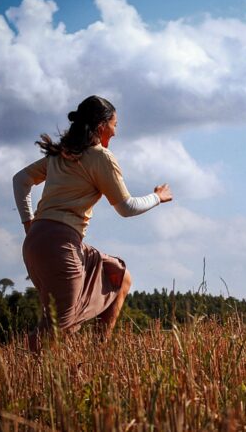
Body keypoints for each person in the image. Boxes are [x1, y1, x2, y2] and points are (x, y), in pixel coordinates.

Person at [13, 95, 172, 350]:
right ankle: (26, 377)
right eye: (115, 124)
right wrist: (158, 197)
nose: (116, 132)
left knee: (119, 277)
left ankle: (99, 352)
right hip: (61, 245)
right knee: (55, 330)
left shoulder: (61, 155)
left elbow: (20, 179)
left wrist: (28, 222)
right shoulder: (101, 158)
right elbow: (126, 208)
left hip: (38, 242)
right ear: (101, 126)